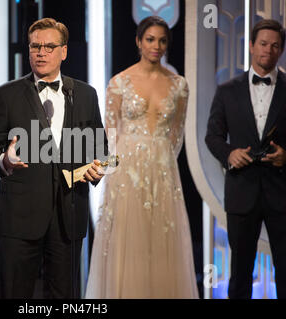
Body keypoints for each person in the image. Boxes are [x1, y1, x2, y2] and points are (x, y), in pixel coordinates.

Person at [0, 18, 108, 299]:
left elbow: (99, 148)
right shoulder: (7, 95)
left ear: (64, 52)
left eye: (49, 46)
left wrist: (97, 168)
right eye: (35, 46)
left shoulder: (85, 94)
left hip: (68, 216)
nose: (41, 52)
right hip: (19, 218)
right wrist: (5, 159)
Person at [85, 16, 198, 298]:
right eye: (150, 39)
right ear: (138, 41)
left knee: (162, 244)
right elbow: (111, 138)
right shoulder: (119, 82)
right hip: (126, 174)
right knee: (129, 245)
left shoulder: (180, 85)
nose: (156, 46)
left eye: (161, 40)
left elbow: (176, 136)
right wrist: (115, 175)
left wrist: (160, 162)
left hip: (162, 173)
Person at [205, 19, 286, 299]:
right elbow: (212, 136)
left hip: (282, 193)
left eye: (275, 46)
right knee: (239, 275)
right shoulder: (227, 90)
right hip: (242, 193)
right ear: (251, 46)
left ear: (281, 50)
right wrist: (229, 153)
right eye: (263, 44)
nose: (268, 50)